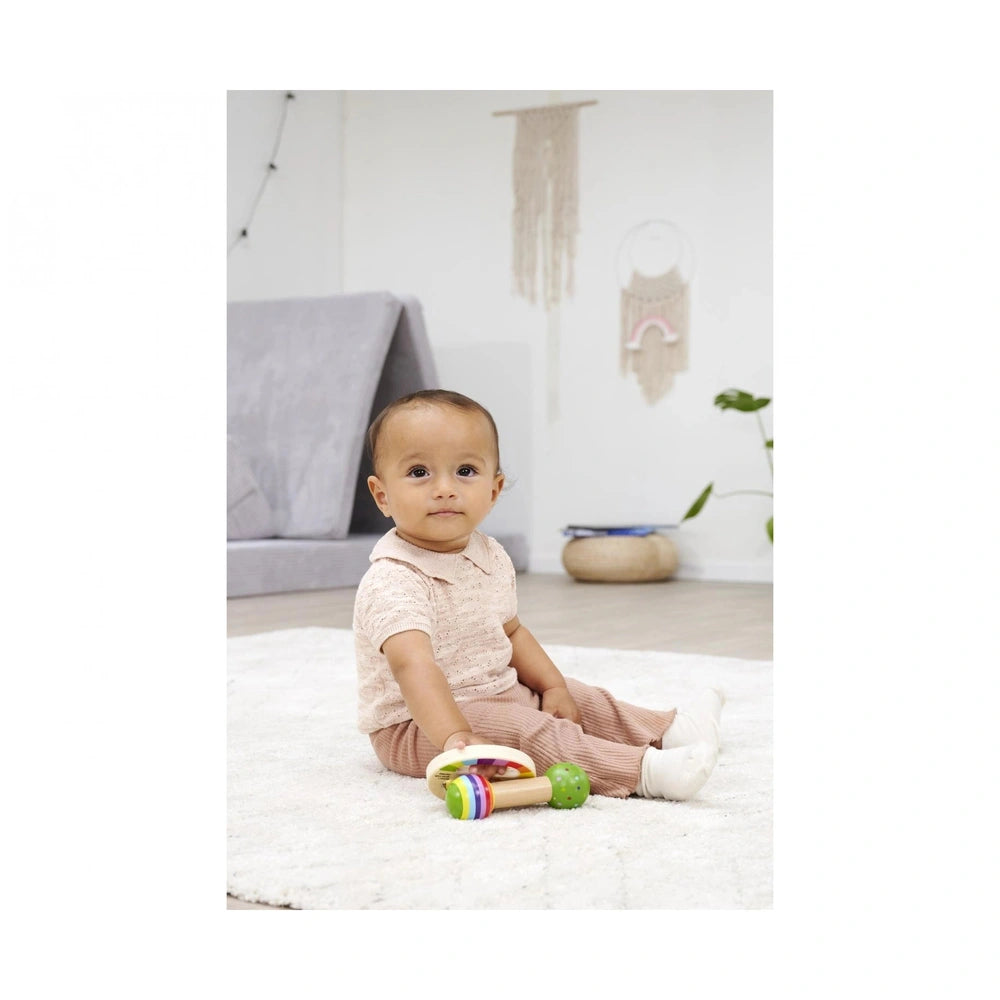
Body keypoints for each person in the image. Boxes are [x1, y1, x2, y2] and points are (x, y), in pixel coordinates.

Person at [353, 389, 723, 800]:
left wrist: (553, 687)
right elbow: (413, 667)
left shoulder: (490, 555)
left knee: (582, 696)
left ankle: (672, 731)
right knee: (533, 732)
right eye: (420, 472)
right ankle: (641, 772)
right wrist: (455, 735)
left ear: (493, 491)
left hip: (494, 691)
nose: (444, 488)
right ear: (382, 494)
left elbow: (511, 634)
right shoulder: (394, 578)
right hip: (418, 726)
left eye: (465, 471)